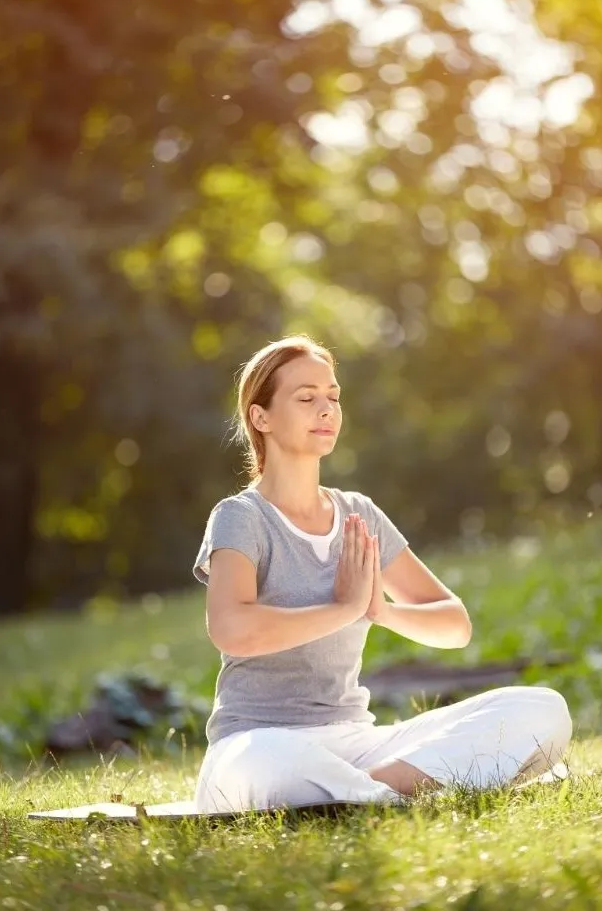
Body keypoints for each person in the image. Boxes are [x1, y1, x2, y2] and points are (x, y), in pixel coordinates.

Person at [191, 335, 572, 813]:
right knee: (273, 762)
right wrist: (342, 609)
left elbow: (455, 626)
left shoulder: (359, 515)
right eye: (306, 398)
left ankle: (365, 794)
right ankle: (390, 793)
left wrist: (381, 611)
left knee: (541, 710)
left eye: (333, 396)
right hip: (258, 742)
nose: (327, 409)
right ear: (260, 417)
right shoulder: (241, 516)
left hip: (355, 742)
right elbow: (232, 630)